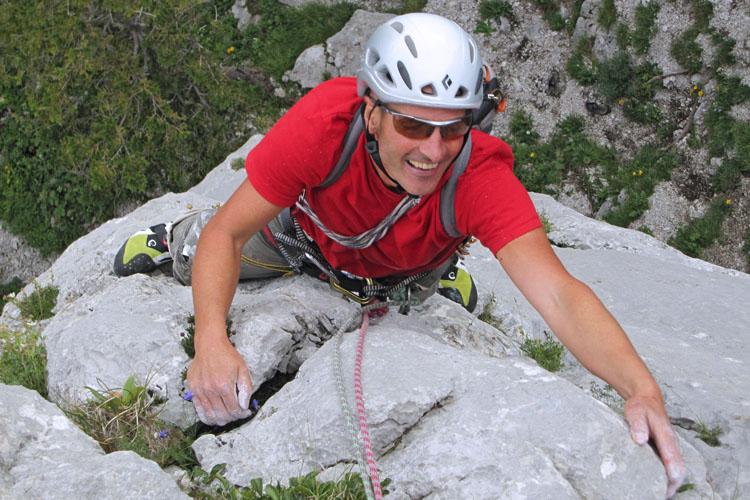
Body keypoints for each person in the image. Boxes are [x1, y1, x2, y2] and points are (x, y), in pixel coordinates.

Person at [114, 13, 686, 497]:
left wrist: (641, 389)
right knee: (201, 248)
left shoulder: (478, 175)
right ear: (373, 112)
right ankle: (172, 235)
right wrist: (211, 339)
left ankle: (437, 280)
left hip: (400, 271)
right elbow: (230, 237)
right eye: (413, 123)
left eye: (454, 128)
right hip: (302, 239)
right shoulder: (324, 127)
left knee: (419, 291)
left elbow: (559, 294)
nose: (433, 150)